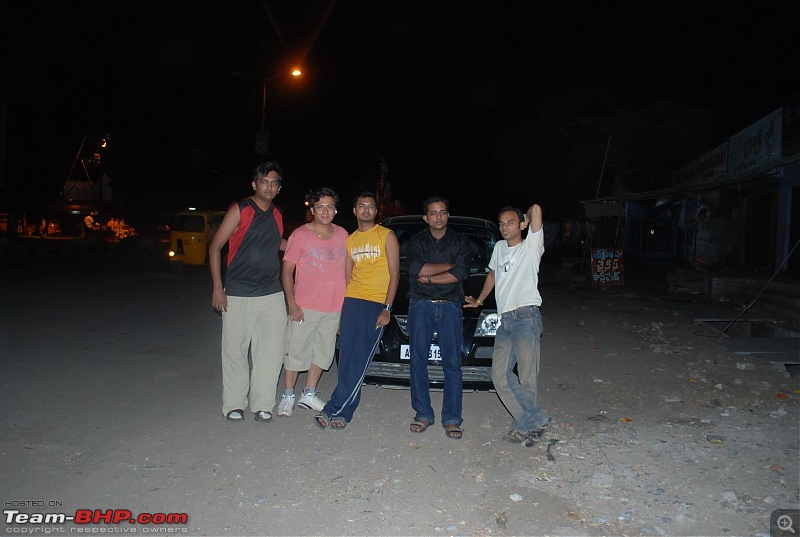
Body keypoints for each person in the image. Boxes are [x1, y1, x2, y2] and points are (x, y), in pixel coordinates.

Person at [464, 204, 553, 447]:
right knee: (499, 376)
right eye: (501, 223)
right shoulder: (500, 248)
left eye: (510, 222)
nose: (504, 227)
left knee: (526, 377)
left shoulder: (531, 247)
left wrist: (526, 218)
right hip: (505, 320)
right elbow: (492, 275)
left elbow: (536, 209)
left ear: (521, 225)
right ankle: (536, 420)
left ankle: (522, 426)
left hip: (526, 317)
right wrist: (480, 300)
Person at [209, 161, 288, 423]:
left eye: (274, 182)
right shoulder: (240, 209)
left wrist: (312, 247)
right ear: (254, 184)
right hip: (238, 292)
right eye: (264, 181)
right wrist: (218, 288)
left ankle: (263, 404)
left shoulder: (277, 213)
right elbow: (215, 247)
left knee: (271, 351)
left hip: (271, 293)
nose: (270, 186)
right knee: (235, 351)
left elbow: (277, 243)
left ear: (279, 187)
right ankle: (234, 404)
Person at [314, 191, 399, 430]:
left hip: (375, 305)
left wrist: (387, 308)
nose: (366, 210)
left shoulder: (387, 236)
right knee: (348, 358)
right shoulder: (350, 240)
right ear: (354, 210)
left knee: (360, 360)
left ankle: (334, 408)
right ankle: (345, 409)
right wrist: (341, 312)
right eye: (361, 206)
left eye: (371, 206)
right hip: (352, 302)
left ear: (376, 211)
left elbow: (395, 275)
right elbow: (346, 278)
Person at [277, 188, 348, 417]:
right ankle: (288, 395)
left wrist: (345, 306)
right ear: (313, 209)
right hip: (305, 305)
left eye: (329, 206)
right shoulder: (300, 235)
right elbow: (287, 271)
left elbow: (348, 272)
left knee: (322, 352)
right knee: (295, 351)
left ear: (335, 209)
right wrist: (292, 302)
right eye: (320, 206)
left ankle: (308, 393)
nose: (325, 211)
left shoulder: (343, 235)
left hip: (334, 307)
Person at [405, 196, 471, 440]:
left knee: (453, 364)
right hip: (420, 305)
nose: (438, 217)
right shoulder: (416, 241)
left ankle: (452, 418)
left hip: (451, 307)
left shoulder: (460, 241)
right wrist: (448, 267)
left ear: (448, 215)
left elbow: (461, 273)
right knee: (418, 361)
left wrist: (431, 277)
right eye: (433, 213)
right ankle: (423, 413)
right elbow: (415, 269)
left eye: (442, 212)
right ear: (426, 217)